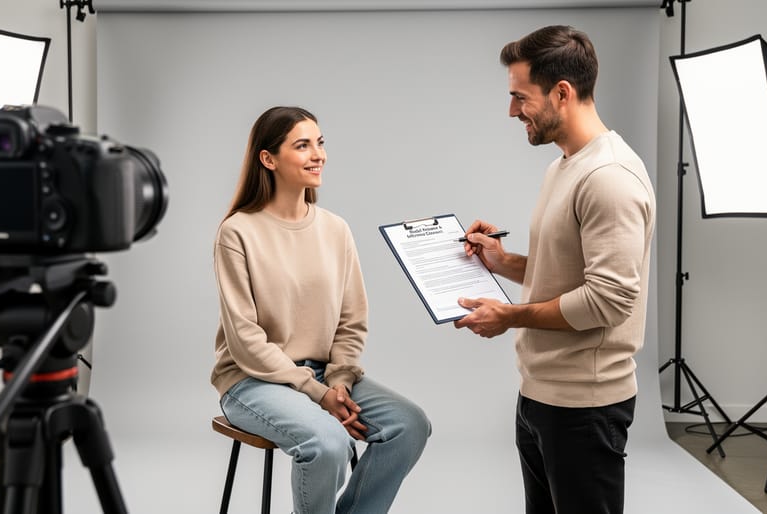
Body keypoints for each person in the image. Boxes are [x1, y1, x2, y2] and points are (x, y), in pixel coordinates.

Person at [453, 26, 655, 514]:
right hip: (541, 395)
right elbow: (569, 273)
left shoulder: (608, 179)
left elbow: (607, 301)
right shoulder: (565, 165)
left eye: (519, 97)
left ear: (561, 93)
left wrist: (509, 316)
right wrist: (502, 262)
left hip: (584, 406)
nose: (511, 111)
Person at [211, 106, 430, 514]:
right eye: (303, 145)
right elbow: (245, 338)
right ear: (268, 159)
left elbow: (351, 320)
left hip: (325, 376)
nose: (318, 155)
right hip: (250, 380)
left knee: (410, 425)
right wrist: (316, 393)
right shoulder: (238, 232)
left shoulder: (335, 229)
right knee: (327, 442)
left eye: (320, 143)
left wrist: (339, 382)